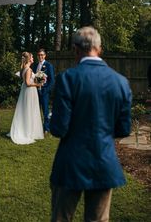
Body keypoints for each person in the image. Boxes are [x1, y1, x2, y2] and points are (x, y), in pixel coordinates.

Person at [50, 27, 132, 222]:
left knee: (61, 217)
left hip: (70, 162)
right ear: (100, 49)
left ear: (75, 49)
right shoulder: (120, 82)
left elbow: (59, 128)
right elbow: (123, 129)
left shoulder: (67, 78)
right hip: (103, 162)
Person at [10, 52, 44, 144]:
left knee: (25, 110)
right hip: (29, 91)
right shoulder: (28, 69)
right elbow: (28, 83)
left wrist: (38, 78)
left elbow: (26, 81)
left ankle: (26, 129)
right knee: (29, 110)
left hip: (26, 92)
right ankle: (28, 132)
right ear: (29, 59)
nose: (33, 58)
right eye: (32, 57)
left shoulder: (23, 69)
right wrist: (38, 84)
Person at [33, 49, 55, 134]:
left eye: (42, 55)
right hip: (35, 92)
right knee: (36, 110)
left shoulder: (48, 65)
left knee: (45, 111)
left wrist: (46, 90)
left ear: (45, 55)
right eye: (39, 55)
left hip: (45, 92)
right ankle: (37, 127)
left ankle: (46, 128)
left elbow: (52, 80)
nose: (40, 56)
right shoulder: (35, 66)